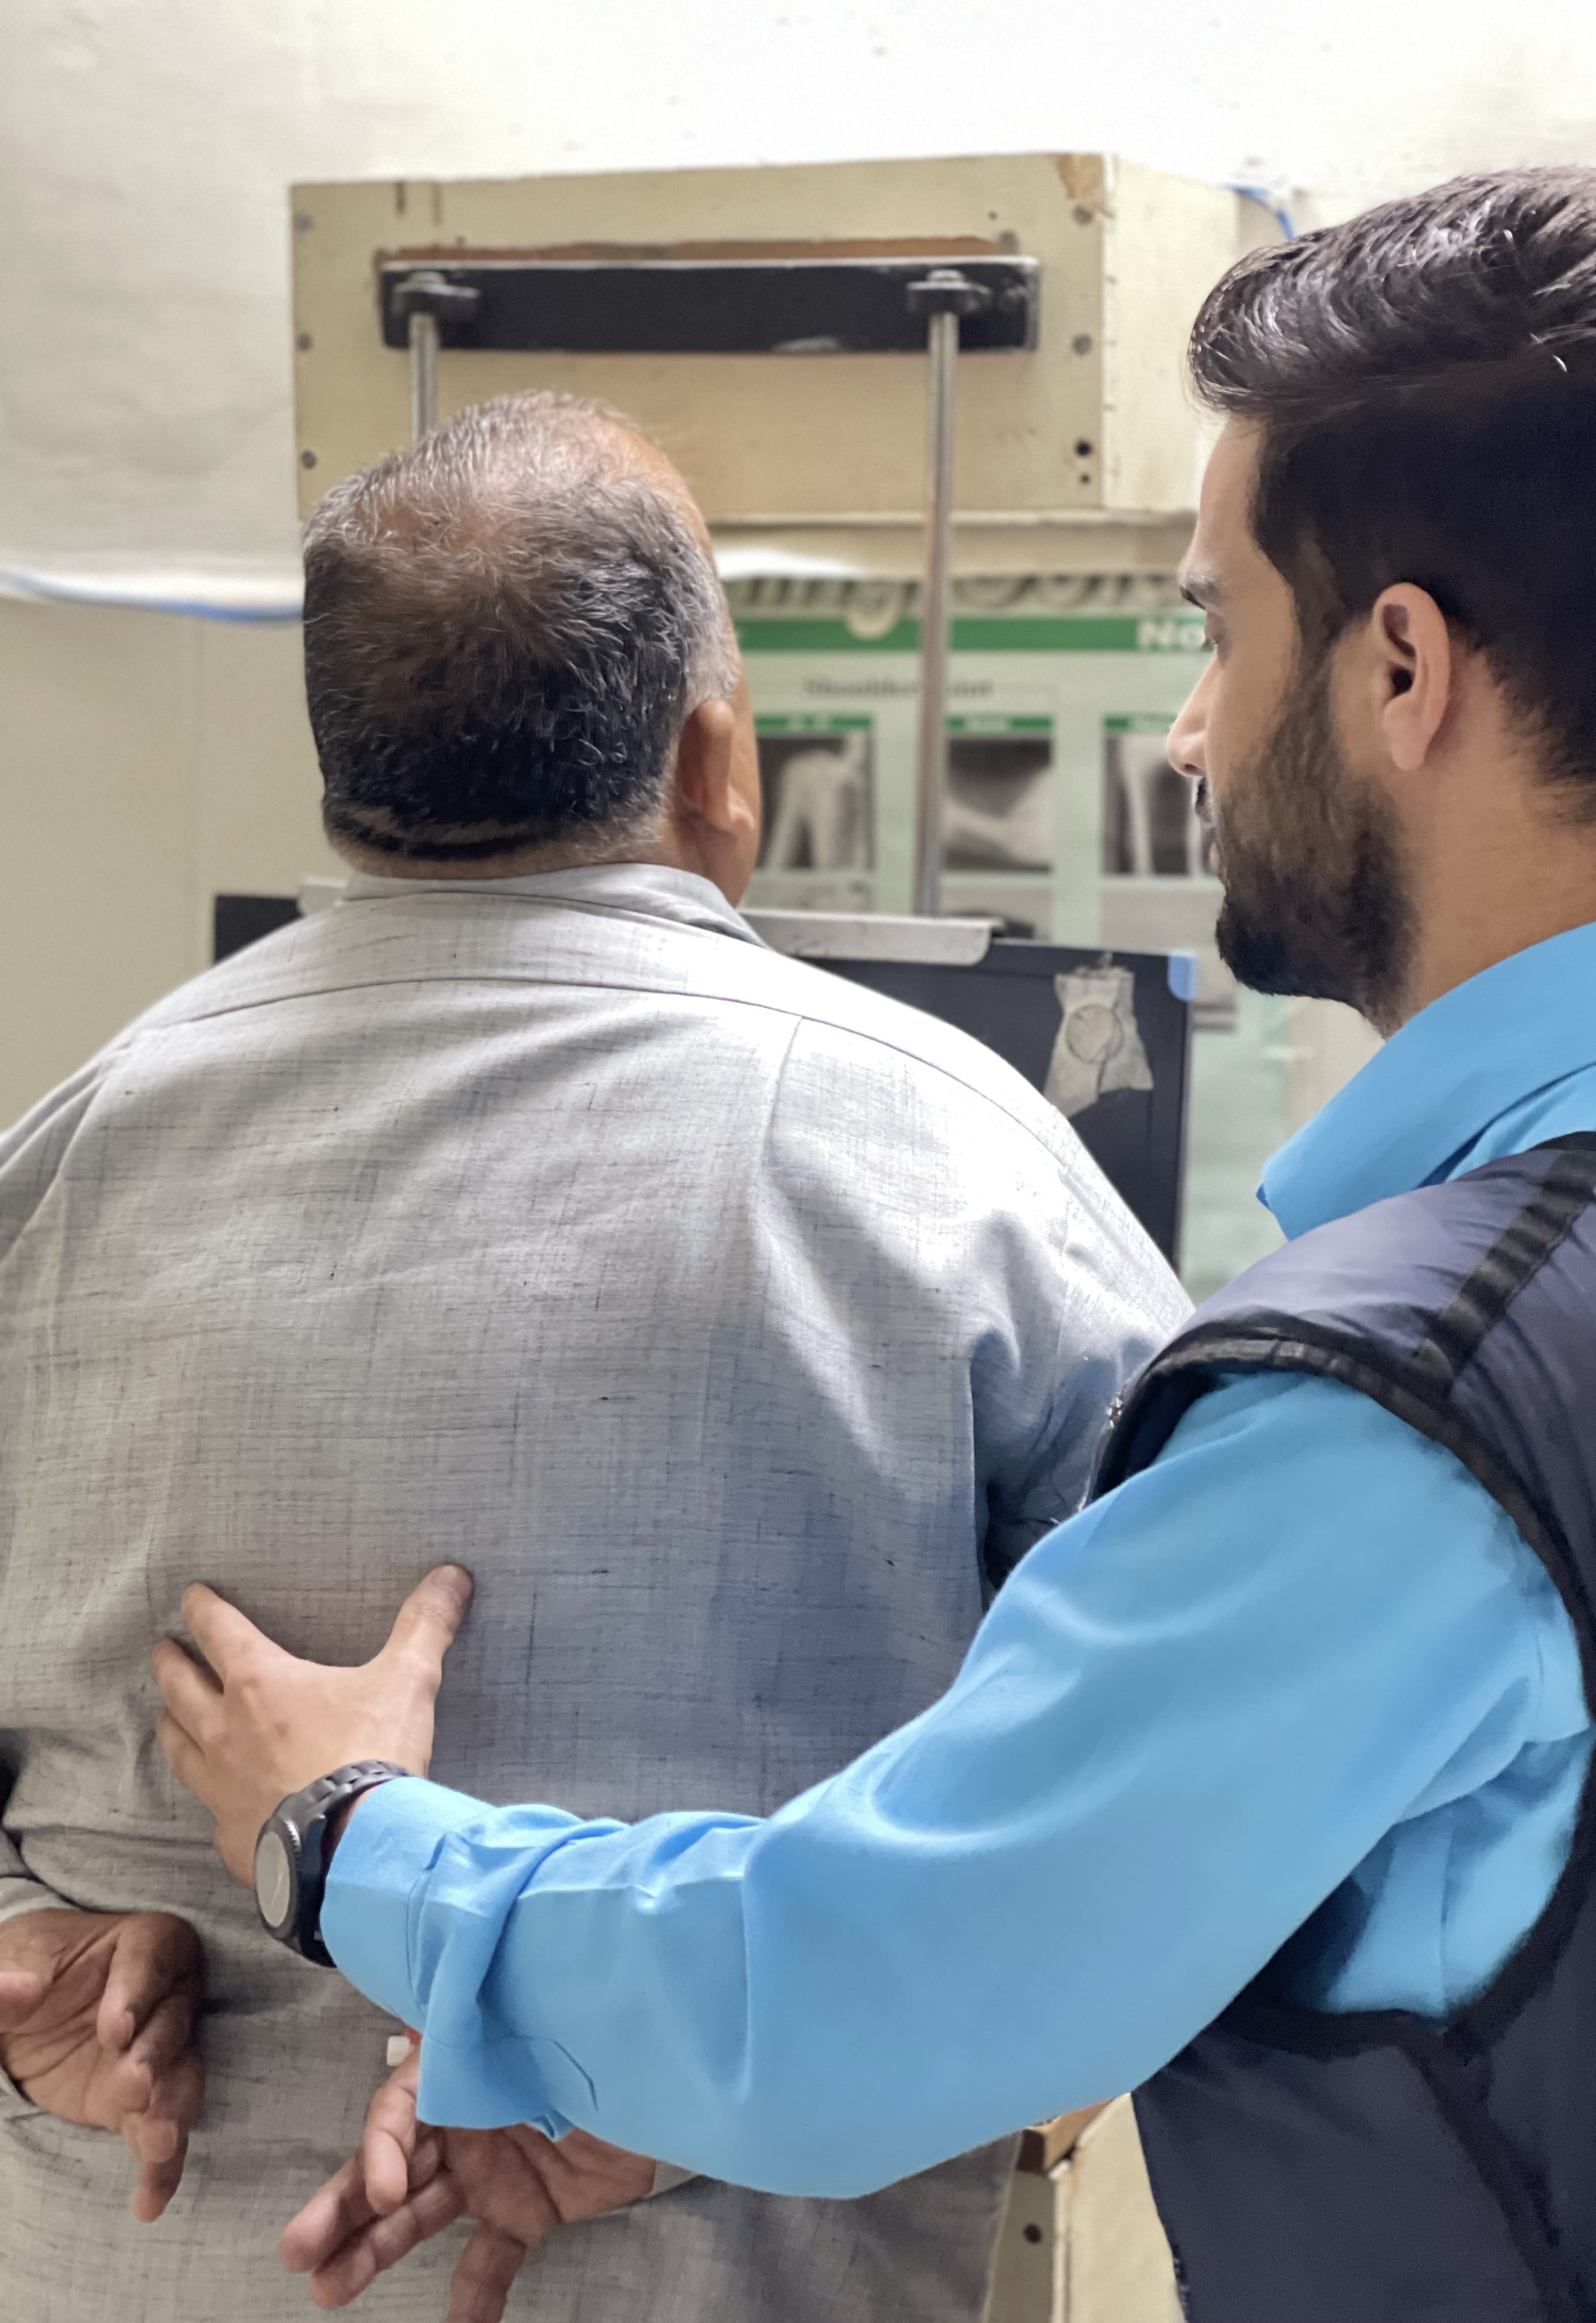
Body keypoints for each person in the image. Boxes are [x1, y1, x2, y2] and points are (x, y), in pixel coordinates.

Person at [156, 163, 1596, 2323]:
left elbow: (853, 1985)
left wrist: (347, 1834)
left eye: (1216, 631)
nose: (1189, 731)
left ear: (1400, 668)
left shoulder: (1417, 1418)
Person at [0, 392, 1186, 2322]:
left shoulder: (61, 1164)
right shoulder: (950, 1164)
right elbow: (1190, 1791)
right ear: (717, 757)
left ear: (344, 767)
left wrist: (20, 1951)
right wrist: (711, 2071)